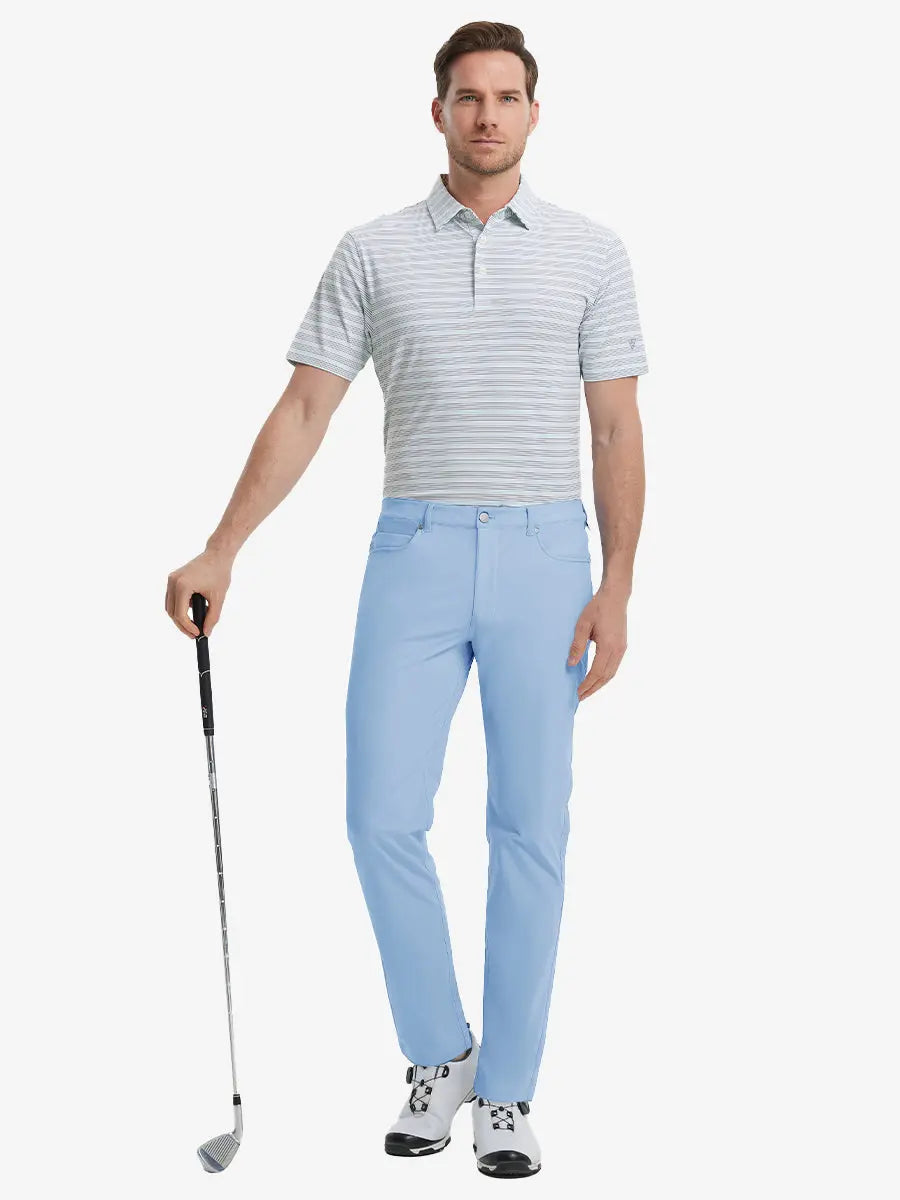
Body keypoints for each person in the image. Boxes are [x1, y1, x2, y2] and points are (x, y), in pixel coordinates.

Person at [166, 20, 648, 1180]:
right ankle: (441, 1053)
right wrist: (222, 549)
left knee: (530, 829)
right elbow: (305, 410)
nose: (487, 115)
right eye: (468, 97)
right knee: (380, 816)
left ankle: (509, 1090)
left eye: (507, 96)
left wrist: (619, 584)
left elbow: (616, 427)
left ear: (535, 113)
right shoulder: (372, 251)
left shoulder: (591, 252)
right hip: (415, 551)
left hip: (545, 555)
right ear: (438, 113)